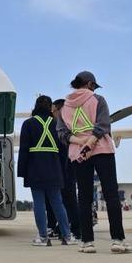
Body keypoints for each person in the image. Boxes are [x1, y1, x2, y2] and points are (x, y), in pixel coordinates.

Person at [56, 71, 132, 254]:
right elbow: (103, 125)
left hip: (78, 154)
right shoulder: (98, 100)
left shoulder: (64, 107)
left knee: (83, 198)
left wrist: (80, 143)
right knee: (111, 195)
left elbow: (61, 133)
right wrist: (90, 143)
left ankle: (87, 242)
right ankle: (117, 240)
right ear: (90, 84)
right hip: (101, 150)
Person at [18, 96, 72, 246]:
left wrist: (22, 171)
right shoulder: (56, 124)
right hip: (54, 168)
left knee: (39, 203)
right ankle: (67, 236)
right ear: (50, 108)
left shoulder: (28, 124)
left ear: (35, 106)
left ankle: (43, 237)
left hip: (35, 169)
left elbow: (23, 150)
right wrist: (63, 170)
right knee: (57, 203)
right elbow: (63, 150)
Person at [52, 98, 81, 241]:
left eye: (54, 111)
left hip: (68, 167)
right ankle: (64, 227)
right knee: (66, 198)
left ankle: (76, 229)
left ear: (59, 110)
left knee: (69, 198)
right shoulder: (63, 125)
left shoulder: (66, 125)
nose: (53, 114)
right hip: (65, 167)